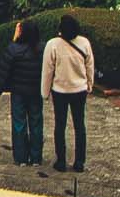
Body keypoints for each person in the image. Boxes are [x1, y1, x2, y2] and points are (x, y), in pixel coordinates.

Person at [41, 12, 96, 173]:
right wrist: (89, 85)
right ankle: (79, 162)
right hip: (79, 89)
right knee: (80, 126)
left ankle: (61, 161)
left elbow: (47, 71)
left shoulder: (53, 44)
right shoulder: (84, 42)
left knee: (60, 125)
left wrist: (44, 92)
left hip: (60, 90)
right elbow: (90, 67)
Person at [0, 17, 45, 166]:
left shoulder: (14, 49)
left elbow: (4, 70)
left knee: (19, 124)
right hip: (36, 91)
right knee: (36, 123)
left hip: (18, 92)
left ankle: (21, 157)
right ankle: (36, 157)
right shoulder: (42, 48)